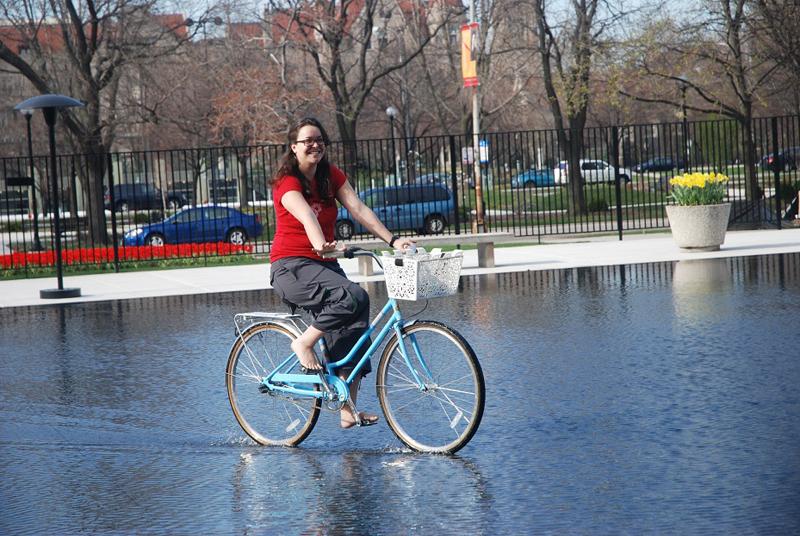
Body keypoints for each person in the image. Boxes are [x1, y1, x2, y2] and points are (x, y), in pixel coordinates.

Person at [268, 117, 415, 429]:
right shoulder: (287, 182)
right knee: (354, 295)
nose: (315, 144)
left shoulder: (330, 175)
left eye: (319, 139)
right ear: (293, 147)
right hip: (291, 266)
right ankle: (303, 344)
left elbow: (358, 208)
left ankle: (348, 409)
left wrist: (392, 239)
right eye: (307, 140)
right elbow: (306, 215)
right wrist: (320, 243)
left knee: (357, 317)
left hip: (323, 264)